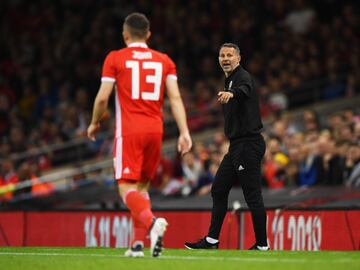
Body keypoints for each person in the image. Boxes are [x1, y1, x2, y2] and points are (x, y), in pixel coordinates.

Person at [87, 13, 192, 257]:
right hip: (156, 130)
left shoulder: (115, 58)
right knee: (141, 188)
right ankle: (136, 245)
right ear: (148, 35)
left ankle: (152, 223)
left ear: (125, 35)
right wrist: (184, 131)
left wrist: (94, 122)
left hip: (130, 131)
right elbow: (175, 98)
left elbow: (103, 97)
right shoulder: (164, 60)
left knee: (125, 189)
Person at [184, 43, 269, 250]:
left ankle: (262, 245)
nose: (225, 58)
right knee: (219, 188)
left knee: (252, 195)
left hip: (248, 144)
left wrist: (233, 94)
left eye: (230, 55)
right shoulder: (229, 79)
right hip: (237, 146)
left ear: (238, 59)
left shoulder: (242, 78)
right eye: (222, 55)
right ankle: (212, 240)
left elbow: (245, 90)